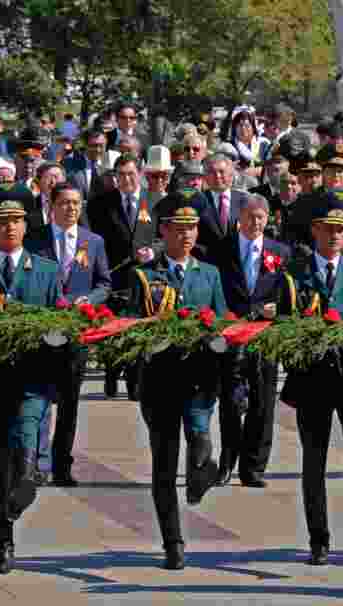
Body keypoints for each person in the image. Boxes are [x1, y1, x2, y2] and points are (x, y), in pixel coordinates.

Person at [0, 183, 62, 574]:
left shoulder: (46, 271)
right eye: (2, 222)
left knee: (25, 450)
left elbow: (62, 324)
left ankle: (22, 494)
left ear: (26, 224)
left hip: (33, 382)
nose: (10, 229)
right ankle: (2, 543)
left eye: (17, 221)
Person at [126, 188, 228, 570]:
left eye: (192, 228)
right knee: (164, 466)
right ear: (164, 232)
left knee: (200, 438)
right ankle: (173, 542)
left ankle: (203, 472)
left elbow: (221, 320)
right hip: (160, 381)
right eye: (178, 228)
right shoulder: (145, 276)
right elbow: (131, 327)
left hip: (200, 378)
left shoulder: (210, 274)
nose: (186, 235)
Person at [278, 189, 343, 567]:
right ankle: (318, 539)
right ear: (315, 230)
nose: (337, 235)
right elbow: (284, 325)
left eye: (342, 229)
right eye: (329, 228)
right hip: (311, 379)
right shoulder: (295, 273)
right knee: (314, 462)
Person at [25, 183, 112, 487]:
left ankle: (63, 465)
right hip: (41, 331)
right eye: (64, 203)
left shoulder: (93, 241)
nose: (71, 208)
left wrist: (90, 300)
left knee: (69, 402)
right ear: (52, 205)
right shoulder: (35, 239)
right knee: (38, 399)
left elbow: (104, 283)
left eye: (76, 203)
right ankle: (35, 463)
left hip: (75, 332)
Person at [212, 194, 294, 487]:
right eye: (249, 216)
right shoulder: (222, 249)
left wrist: (277, 306)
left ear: (268, 219)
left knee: (263, 402)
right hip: (232, 334)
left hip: (265, 336)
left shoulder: (280, 252)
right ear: (239, 218)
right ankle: (226, 462)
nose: (255, 222)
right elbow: (214, 285)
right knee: (231, 403)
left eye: (260, 217)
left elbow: (289, 291)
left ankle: (253, 468)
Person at [87, 154, 162, 398]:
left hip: (144, 278)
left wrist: (153, 251)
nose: (126, 179)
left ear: (140, 173)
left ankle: (135, 383)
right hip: (114, 275)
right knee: (113, 329)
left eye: (131, 174)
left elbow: (163, 237)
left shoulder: (154, 200)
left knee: (138, 330)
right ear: (114, 177)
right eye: (121, 175)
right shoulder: (100, 203)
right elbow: (94, 240)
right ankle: (111, 373)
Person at [196, 153, 250, 261]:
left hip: (238, 265)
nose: (217, 176)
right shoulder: (197, 201)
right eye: (212, 172)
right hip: (207, 264)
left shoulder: (246, 200)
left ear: (231, 175)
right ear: (205, 177)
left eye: (221, 171)